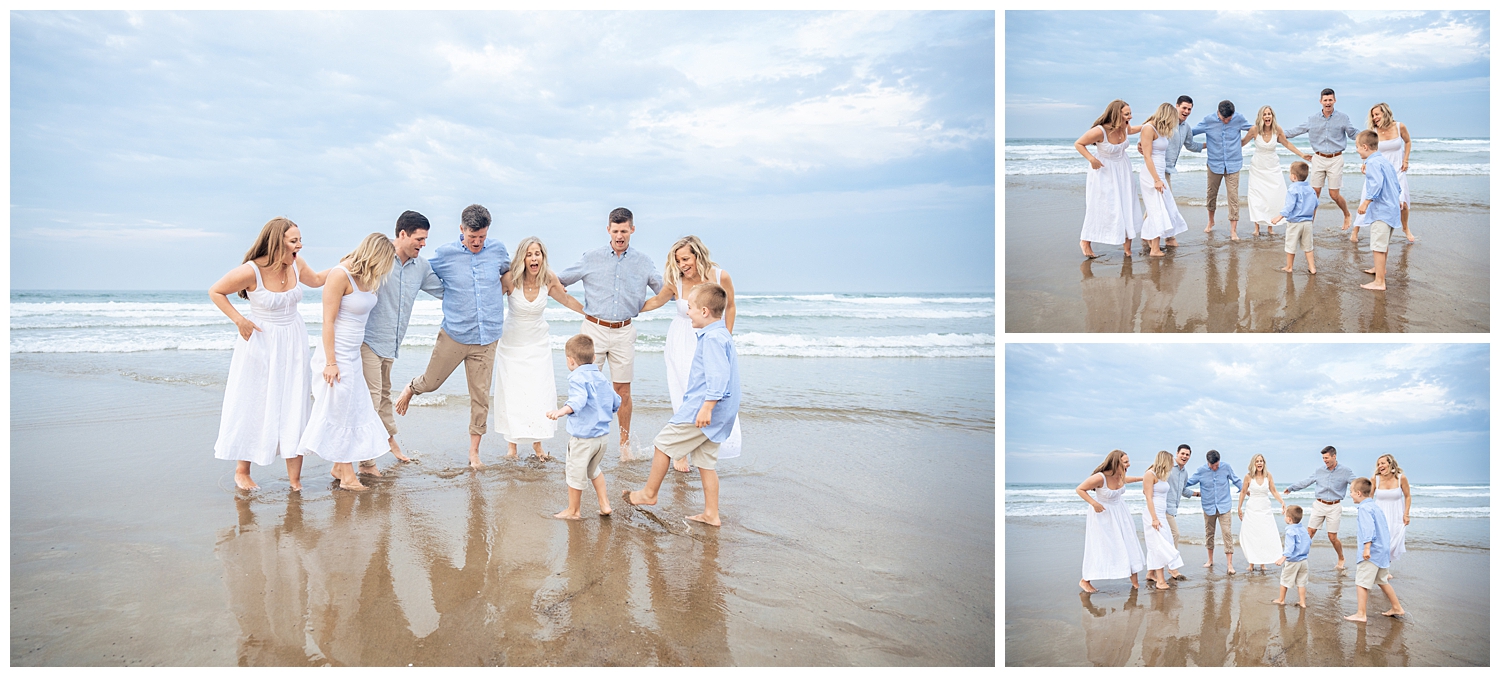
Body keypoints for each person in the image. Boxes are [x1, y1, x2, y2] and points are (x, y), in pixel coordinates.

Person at [209, 217, 329, 491]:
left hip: (293, 342)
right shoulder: (252, 271)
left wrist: (349, 266)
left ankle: (295, 481)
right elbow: (216, 291)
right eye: (294, 241)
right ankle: (242, 471)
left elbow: (319, 279)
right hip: (261, 343)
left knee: (294, 403)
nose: (300, 245)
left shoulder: (297, 264)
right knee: (254, 400)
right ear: (277, 242)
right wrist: (239, 320)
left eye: (300, 239)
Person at [394, 205, 509, 469]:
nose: (478, 242)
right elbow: (419, 271)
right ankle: (412, 387)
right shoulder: (445, 254)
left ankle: (474, 453)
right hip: (454, 334)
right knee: (431, 383)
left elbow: (508, 271)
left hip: (487, 336)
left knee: (480, 397)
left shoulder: (498, 250)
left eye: (482, 237)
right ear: (462, 230)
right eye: (472, 237)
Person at [621, 283, 740, 527]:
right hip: (720, 412)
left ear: (705, 311)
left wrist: (707, 406)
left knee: (663, 443)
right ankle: (711, 514)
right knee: (706, 463)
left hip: (704, 410)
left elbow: (719, 377)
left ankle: (649, 493)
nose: (688, 312)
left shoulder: (713, 339)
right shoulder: (721, 334)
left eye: (692, 308)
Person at [556, 207, 664, 461]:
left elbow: (664, 291)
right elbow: (559, 282)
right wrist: (577, 307)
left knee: (622, 391)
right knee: (586, 386)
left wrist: (642, 307)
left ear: (632, 230)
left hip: (624, 331)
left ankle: (624, 446)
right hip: (593, 330)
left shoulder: (644, 261)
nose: (619, 235)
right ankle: (582, 441)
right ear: (608, 230)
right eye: (615, 231)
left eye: (624, 231)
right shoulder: (591, 257)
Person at [299, 233, 398, 491]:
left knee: (354, 411)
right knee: (339, 411)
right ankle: (347, 476)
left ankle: (338, 467)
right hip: (336, 354)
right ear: (374, 255)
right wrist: (331, 363)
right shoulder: (340, 275)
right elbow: (328, 321)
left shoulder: (369, 277)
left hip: (354, 354)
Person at [641, 235, 743, 472]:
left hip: (711, 336)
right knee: (684, 389)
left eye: (685, 259)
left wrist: (725, 335)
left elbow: (731, 306)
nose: (682, 265)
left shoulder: (720, 276)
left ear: (698, 255)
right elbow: (656, 301)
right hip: (681, 339)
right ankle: (681, 452)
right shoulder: (675, 281)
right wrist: (626, 309)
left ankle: (707, 443)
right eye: (677, 261)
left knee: (711, 387)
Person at [360, 211, 443, 470]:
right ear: (402, 234)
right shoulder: (379, 257)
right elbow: (347, 274)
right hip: (366, 340)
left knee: (384, 396)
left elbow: (445, 292)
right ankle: (365, 460)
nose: (423, 244)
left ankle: (389, 441)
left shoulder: (422, 268)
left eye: (426, 239)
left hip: (390, 344)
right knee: (372, 400)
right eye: (419, 238)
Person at [494, 236, 585, 460]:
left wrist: (591, 314)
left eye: (537, 254)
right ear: (522, 258)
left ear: (542, 257)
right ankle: (512, 447)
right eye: (529, 254)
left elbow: (566, 300)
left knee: (538, 393)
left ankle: (537, 445)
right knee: (513, 393)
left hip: (538, 344)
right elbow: (490, 303)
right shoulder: (509, 279)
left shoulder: (548, 279)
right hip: (512, 344)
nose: (534, 258)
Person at [546, 334, 621, 519]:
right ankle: (605, 504)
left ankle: (573, 511)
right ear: (594, 358)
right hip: (602, 437)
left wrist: (562, 411)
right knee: (593, 469)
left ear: (570, 361)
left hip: (584, 438)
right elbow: (616, 401)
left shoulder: (577, 378)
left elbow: (577, 401)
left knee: (574, 473)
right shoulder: (601, 377)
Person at [1283, 88, 1360, 235]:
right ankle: (1309, 225)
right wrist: (1276, 133)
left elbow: (1353, 133)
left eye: (1330, 100)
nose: (1328, 102)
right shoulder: (1312, 119)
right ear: (1321, 102)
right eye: (1325, 100)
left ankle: (1347, 214)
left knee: (1334, 194)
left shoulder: (1343, 118)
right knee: (1314, 193)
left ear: (1334, 100)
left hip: (1336, 158)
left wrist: (1369, 137)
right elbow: (1295, 131)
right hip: (1318, 158)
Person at [1074, 100, 1143, 258]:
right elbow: (1079, 144)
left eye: (1130, 113)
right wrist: (1091, 159)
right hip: (1105, 172)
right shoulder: (1100, 131)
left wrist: (1151, 125)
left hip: (1124, 171)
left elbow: (1133, 130)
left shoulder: (1125, 126)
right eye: (1126, 114)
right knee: (1103, 207)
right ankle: (1085, 241)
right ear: (1115, 114)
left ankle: (1127, 248)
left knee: (1127, 205)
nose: (1130, 117)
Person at [1072, 449, 1145, 593]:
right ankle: (1085, 580)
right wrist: (1094, 503)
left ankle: (1135, 582)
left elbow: (1126, 480)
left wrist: (1144, 478)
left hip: (1122, 515)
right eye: (1125, 462)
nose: (1128, 464)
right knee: (1105, 547)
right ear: (1115, 462)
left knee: (1129, 543)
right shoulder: (1100, 477)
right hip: (1103, 516)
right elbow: (1080, 489)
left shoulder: (1121, 475)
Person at [1241, 105, 1312, 236]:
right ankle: (1256, 228)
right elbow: (1242, 143)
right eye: (1265, 114)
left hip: (1273, 167)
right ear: (1261, 117)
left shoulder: (1277, 130)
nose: (1267, 116)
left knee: (1273, 197)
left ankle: (1270, 226)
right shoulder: (1254, 130)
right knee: (1257, 197)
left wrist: (1302, 155)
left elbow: (1287, 144)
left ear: (1272, 116)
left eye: (1269, 114)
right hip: (1258, 168)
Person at [1283, 445, 1355, 569]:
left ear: (1334, 456)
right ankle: (1298, 559)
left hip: (1334, 506)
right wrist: (1291, 488)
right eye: (1323, 458)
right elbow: (1306, 482)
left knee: (1332, 537)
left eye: (1327, 458)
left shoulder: (1345, 471)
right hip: (1319, 505)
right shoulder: (1319, 471)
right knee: (1309, 533)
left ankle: (1341, 558)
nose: (1325, 460)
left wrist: (1369, 489)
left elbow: (1357, 483)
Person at [1345, 477, 1406, 623]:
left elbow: (1368, 530)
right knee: (1382, 580)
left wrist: (1366, 548)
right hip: (1382, 551)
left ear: (1359, 493)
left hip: (1371, 552)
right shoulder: (1375, 506)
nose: (1350, 494)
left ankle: (1361, 614)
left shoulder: (1364, 509)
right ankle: (1397, 607)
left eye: (1351, 492)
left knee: (1361, 582)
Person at [1189, 100, 1251, 239]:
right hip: (1214, 164)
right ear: (1218, 113)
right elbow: (1190, 133)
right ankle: (1211, 221)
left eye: (1229, 119)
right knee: (1211, 194)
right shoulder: (1208, 120)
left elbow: (1254, 129)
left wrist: (1244, 141)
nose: (1227, 121)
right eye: (1224, 119)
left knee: (1233, 197)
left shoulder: (1239, 118)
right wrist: (1199, 146)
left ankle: (1233, 231)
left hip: (1234, 164)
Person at [1135, 103, 1190, 257]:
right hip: (1151, 175)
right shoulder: (1148, 128)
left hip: (1160, 172)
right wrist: (1157, 180)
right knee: (1156, 209)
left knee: (1166, 207)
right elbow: (1147, 156)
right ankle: (1154, 249)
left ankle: (1152, 241)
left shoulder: (1161, 130)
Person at [1353, 130, 1403, 292]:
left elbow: (1376, 185)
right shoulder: (1384, 161)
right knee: (1383, 244)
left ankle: (1379, 281)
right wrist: (1398, 200)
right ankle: (1379, 269)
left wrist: (1365, 203)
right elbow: (1395, 183)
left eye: (1358, 147)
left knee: (1378, 246)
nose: (1357, 150)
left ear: (1365, 147)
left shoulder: (1372, 163)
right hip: (1391, 208)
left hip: (1381, 210)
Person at [1182, 449, 1242, 573]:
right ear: (1207, 462)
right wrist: (1187, 491)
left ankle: (1229, 565)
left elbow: (1236, 480)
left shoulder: (1226, 467)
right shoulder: (1201, 471)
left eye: (1217, 465)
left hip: (1224, 506)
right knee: (1209, 534)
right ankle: (1210, 560)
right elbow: (1187, 483)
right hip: (1208, 507)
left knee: (1227, 533)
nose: (1215, 468)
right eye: (1212, 465)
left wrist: (1246, 490)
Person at [1367, 103, 1414, 242]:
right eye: (1373, 115)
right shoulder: (1373, 131)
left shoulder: (1400, 126)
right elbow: (1369, 150)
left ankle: (1405, 227)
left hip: (1398, 169)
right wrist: (1365, 164)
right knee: (1376, 200)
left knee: (1403, 202)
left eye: (1377, 114)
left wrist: (1405, 160)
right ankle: (1366, 230)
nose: (1374, 118)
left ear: (1385, 113)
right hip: (1381, 170)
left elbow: (1408, 141)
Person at [1235, 453, 1287, 573]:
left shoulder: (1268, 476)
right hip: (1252, 509)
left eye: (1261, 461)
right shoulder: (1248, 477)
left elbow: (1273, 491)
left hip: (1265, 509)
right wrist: (1239, 507)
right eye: (1257, 461)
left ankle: (1263, 563)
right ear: (1253, 463)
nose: (1259, 463)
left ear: (1264, 463)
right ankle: (1251, 563)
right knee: (1253, 535)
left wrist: (1282, 502)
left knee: (1264, 535)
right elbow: (1243, 492)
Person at [1141, 451, 1184, 591]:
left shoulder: (1163, 475)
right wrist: (1154, 518)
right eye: (1171, 461)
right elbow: (1148, 497)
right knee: (1158, 545)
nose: (1173, 464)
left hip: (1161, 514)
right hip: (1153, 515)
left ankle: (1150, 573)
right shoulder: (1150, 474)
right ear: (1164, 461)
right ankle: (1160, 581)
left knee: (1164, 542)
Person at [1271, 161, 1319, 274]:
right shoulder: (1311, 189)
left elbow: (1289, 206)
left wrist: (1279, 216)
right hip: (1307, 222)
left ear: (1293, 176)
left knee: (1290, 245)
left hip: (1295, 222)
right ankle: (1312, 267)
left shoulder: (1292, 189)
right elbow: (1316, 204)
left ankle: (1289, 267)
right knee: (1308, 246)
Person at [1372, 454, 1410, 567]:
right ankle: (1383, 568)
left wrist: (1406, 514)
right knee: (1381, 542)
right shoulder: (1375, 479)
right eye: (1378, 464)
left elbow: (1407, 496)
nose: (1380, 466)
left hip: (1396, 515)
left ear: (1390, 463)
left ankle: (1385, 568)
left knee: (1393, 542)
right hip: (1379, 515)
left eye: (1383, 463)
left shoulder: (1401, 478)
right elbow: (1369, 498)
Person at [1162, 444, 1192, 580]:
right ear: (1177, 453)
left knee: (1161, 539)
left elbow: (1183, 490)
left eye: (1187, 454)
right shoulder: (1167, 466)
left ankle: (1151, 572)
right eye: (1183, 454)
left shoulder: (1185, 472)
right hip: (1163, 508)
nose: (1185, 456)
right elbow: (1154, 480)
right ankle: (1172, 567)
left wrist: (1198, 494)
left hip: (1173, 508)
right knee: (1175, 534)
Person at [1272, 505, 1311, 608]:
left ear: (1289, 519)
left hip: (1293, 561)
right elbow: (1308, 542)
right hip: (1303, 561)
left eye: (1285, 516)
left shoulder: (1290, 531)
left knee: (1284, 580)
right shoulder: (1303, 529)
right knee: (1301, 582)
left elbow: (1290, 547)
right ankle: (1302, 602)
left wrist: (1283, 558)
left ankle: (1281, 600)